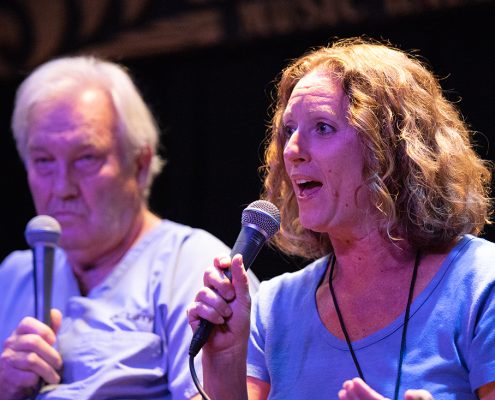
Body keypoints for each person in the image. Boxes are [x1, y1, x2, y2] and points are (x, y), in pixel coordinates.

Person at [187, 37, 495, 399]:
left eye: (322, 127)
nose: (292, 150)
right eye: (289, 130)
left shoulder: (480, 283)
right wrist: (224, 360)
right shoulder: (275, 308)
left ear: (389, 149)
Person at [0, 56, 258, 399]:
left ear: (139, 164)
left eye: (86, 158)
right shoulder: (13, 277)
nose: (62, 187)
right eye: (43, 160)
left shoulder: (197, 267)